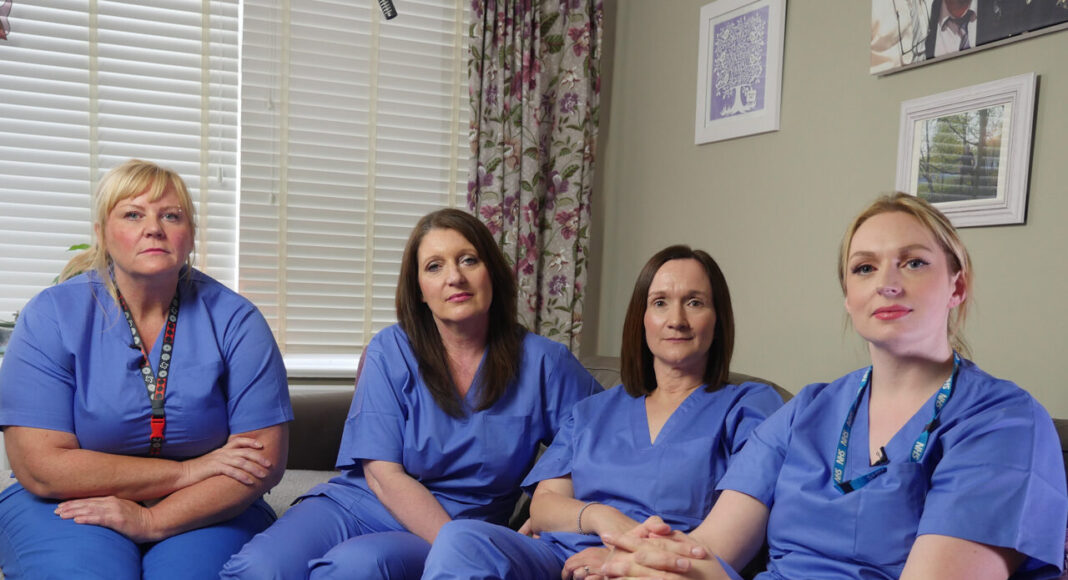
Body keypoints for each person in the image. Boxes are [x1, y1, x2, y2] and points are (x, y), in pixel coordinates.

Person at [600, 193, 1067, 580]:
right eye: (864, 268)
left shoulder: (1005, 423)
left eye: (913, 263)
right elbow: (706, 550)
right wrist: (644, 558)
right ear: (848, 296)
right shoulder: (808, 409)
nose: (886, 283)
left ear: (957, 287)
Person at [222, 208, 602, 580]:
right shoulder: (390, 349)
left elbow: (606, 436)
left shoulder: (544, 362)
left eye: (468, 260)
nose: (454, 277)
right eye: (434, 266)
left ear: (493, 272)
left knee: (354, 568)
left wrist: (550, 511)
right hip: (360, 503)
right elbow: (383, 475)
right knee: (258, 568)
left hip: (454, 526)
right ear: (419, 289)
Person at [0, 159, 293, 579]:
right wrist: (187, 470)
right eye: (133, 214)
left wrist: (151, 520)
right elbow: (42, 468)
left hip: (208, 504)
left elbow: (261, 463)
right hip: (64, 502)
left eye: (171, 215)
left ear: (190, 235)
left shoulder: (237, 320)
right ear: (102, 234)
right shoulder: (50, 315)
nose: (153, 228)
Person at [420, 245, 784, 580]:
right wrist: (601, 517)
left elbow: (727, 542)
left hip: (660, 569)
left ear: (718, 320)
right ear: (641, 320)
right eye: (660, 303)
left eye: (694, 302)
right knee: (460, 539)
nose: (676, 319)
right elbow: (543, 507)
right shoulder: (593, 410)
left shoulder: (749, 407)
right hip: (559, 560)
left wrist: (620, 559)